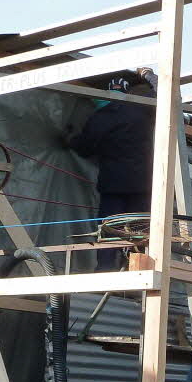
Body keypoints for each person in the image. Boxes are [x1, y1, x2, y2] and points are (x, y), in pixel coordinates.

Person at [68, 68, 159, 270]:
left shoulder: (101, 116)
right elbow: (164, 90)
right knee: (140, 228)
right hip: (143, 183)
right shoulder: (143, 110)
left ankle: (106, 269)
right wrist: (147, 75)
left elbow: (84, 147)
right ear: (127, 92)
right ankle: (138, 269)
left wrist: (69, 138)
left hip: (113, 184)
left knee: (110, 228)